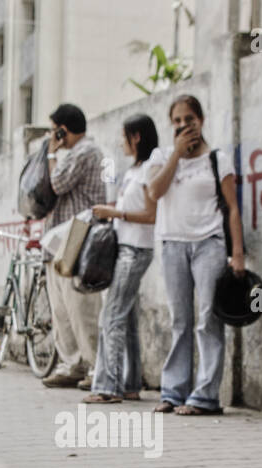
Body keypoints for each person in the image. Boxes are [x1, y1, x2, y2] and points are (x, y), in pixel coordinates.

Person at [147, 94, 247, 416]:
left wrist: (238, 253)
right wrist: (176, 154)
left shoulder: (218, 158)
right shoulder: (161, 155)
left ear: (200, 121)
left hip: (209, 243)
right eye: (176, 121)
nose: (183, 126)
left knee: (208, 318)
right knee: (180, 321)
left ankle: (205, 396)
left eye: (189, 119)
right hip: (172, 244)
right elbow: (154, 192)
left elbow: (232, 208)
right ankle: (173, 392)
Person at [85, 114, 163, 404]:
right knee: (127, 318)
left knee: (112, 316)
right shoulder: (133, 170)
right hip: (125, 246)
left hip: (136, 249)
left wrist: (115, 213)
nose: (121, 143)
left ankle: (108, 386)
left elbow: (152, 216)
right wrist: (110, 210)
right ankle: (129, 384)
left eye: (124, 136)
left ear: (137, 136)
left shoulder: (150, 168)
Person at [40, 103, 107, 390]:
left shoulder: (86, 152)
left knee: (81, 306)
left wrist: (53, 153)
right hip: (60, 238)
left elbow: (57, 183)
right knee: (61, 307)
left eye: (56, 128)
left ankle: (94, 365)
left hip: (78, 236)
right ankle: (72, 363)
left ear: (63, 128)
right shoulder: (74, 154)